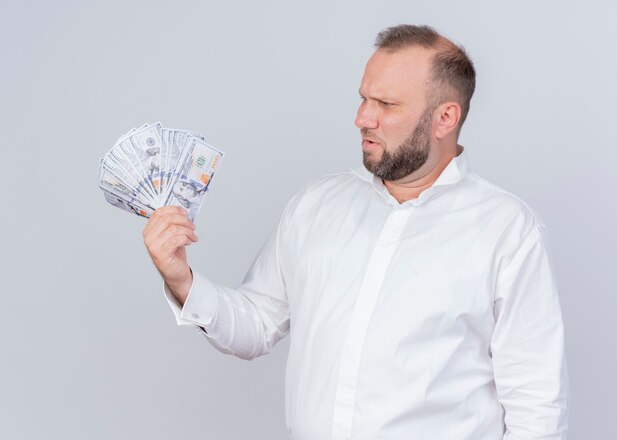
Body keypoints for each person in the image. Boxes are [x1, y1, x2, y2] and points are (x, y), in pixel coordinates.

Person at [143, 24, 569, 440]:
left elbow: (537, 405)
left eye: (386, 104)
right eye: (364, 98)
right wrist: (182, 279)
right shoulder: (316, 205)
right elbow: (256, 324)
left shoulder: (508, 231)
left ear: (445, 118)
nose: (362, 118)